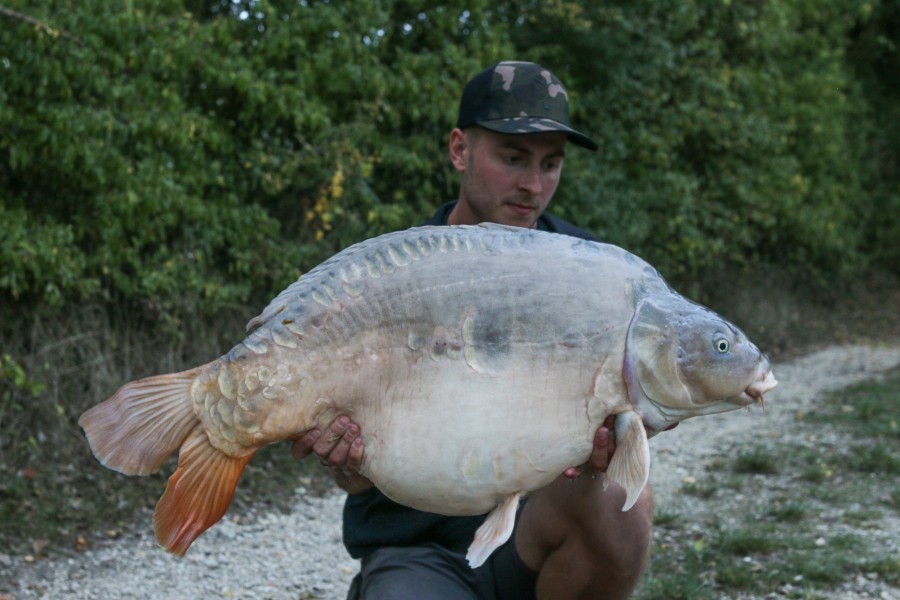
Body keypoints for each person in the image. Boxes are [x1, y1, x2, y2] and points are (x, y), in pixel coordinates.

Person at [291, 61, 653, 600]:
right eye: (513, 158)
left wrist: (619, 436)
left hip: (535, 534)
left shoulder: (588, 272)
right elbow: (355, 477)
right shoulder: (395, 277)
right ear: (460, 149)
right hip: (420, 549)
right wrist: (345, 462)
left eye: (550, 164)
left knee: (622, 501)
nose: (533, 185)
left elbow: (643, 402)